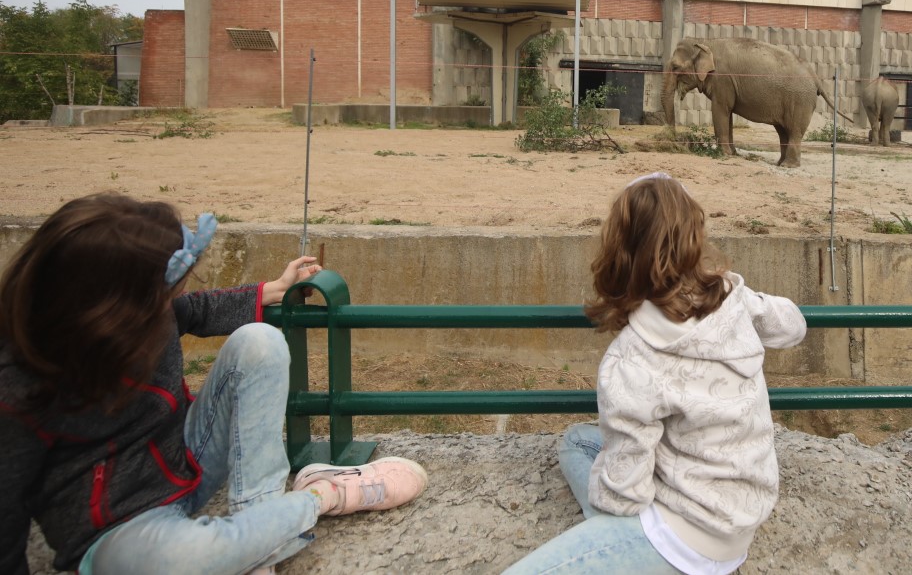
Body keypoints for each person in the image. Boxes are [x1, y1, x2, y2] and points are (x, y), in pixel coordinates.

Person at [0, 193, 429, 575]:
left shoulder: (148, 312)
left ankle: (258, 514)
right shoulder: (19, 387)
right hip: (116, 535)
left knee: (259, 341)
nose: (176, 292)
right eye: (168, 283)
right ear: (110, 302)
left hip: (187, 463)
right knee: (179, 561)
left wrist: (272, 290)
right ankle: (320, 498)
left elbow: (197, 310)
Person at [504, 172, 808, 574]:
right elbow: (793, 326)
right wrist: (750, 300)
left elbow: (624, 495)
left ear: (620, 249)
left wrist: (618, 513)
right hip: (742, 518)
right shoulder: (734, 298)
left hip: (685, 538)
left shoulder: (632, 357)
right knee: (577, 441)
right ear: (694, 236)